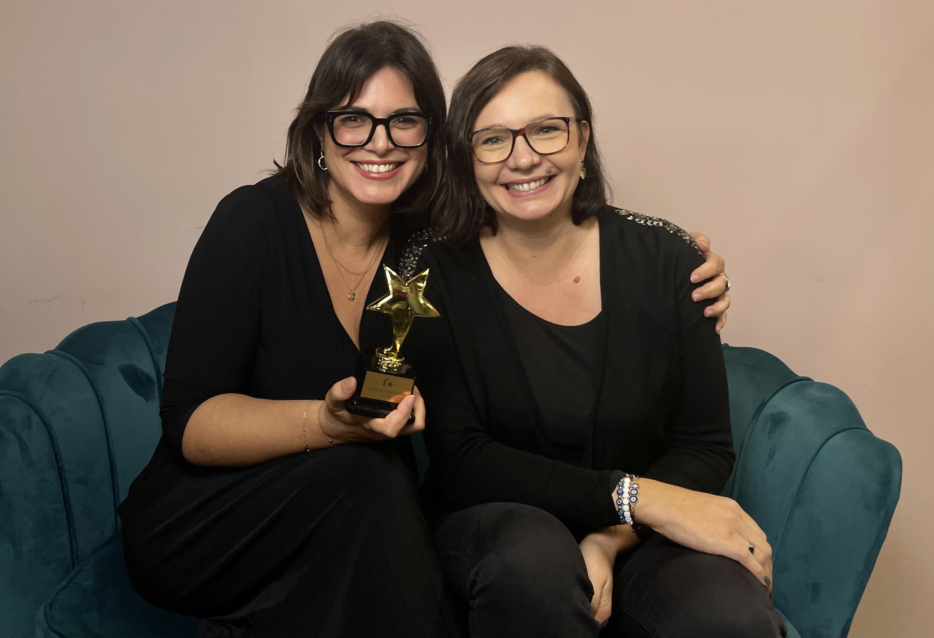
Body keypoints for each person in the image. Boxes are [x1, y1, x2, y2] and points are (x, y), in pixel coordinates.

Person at [118, 22, 732, 638]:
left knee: (379, 481)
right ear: (318, 131)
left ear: (434, 137)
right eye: (353, 119)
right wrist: (326, 423)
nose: (378, 143)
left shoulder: (434, 244)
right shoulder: (252, 222)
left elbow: (546, 220)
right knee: (371, 474)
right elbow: (192, 425)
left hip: (351, 526)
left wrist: (677, 258)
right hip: (210, 516)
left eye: (404, 121)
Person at [408, 45, 783, 638]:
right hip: (496, 528)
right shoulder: (430, 275)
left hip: (635, 537)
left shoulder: (671, 261)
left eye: (546, 130)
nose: (522, 158)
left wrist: (612, 535)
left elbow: (705, 446)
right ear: (467, 157)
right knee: (532, 564)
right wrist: (639, 496)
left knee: (728, 617)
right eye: (493, 139)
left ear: (582, 140)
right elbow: (461, 462)